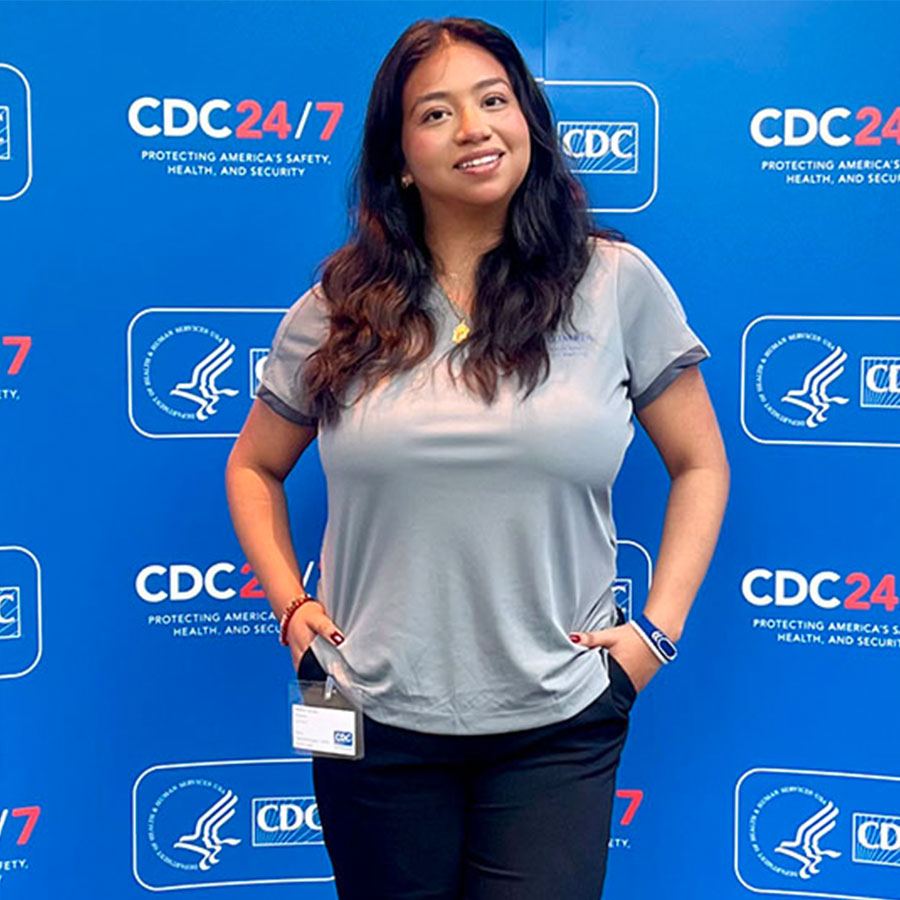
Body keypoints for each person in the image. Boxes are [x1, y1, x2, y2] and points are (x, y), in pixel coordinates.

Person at [225, 15, 729, 900]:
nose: (474, 128)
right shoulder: (338, 307)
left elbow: (701, 463)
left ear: (527, 119)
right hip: (363, 709)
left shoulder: (614, 283)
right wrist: (292, 609)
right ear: (398, 157)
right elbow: (253, 467)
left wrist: (655, 636)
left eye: (494, 100)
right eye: (436, 112)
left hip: (560, 716)